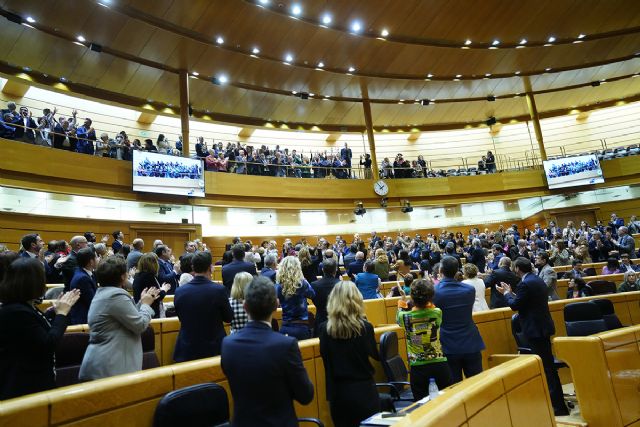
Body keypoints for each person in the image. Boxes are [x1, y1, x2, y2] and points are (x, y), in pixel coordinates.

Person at [221, 276, 314, 427]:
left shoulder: (227, 344)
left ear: (245, 306)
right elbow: (306, 395)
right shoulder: (286, 345)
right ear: (276, 305)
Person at [496, 257, 570, 416]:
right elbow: (527, 301)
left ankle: (557, 407)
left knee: (546, 368)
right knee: (548, 367)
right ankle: (557, 404)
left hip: (535, 330)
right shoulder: (536, 279)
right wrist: (512, 293)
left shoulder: (525, 283)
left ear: (517, 269)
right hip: (543, 328)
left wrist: (507, 294)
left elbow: (515, 306)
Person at [0, 258, 80, 399]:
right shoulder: (16, 311)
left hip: (32, 382)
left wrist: (52, 312)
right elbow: (48, 343)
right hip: (25, 388)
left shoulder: (21, 306)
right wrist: (62, 314)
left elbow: (35, 330)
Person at [79, 256, 160, 381]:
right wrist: (145, 305)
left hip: (105, 361)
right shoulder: (116, 295)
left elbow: (125, 317)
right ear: (123, 276)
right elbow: (139, 325)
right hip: (110, 364)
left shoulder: (105, 293)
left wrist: (141, 303)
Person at [318, 281, 381, 426]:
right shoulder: (365, 327)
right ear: (357, 300)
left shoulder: (324, 329)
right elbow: (374, 354)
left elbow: (325, 358)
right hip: (364, 390)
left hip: (337, 394)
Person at [396, 279, 452, 398]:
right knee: (446, 402)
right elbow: (429, 311)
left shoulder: (404, 317)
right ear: (431, 296)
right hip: (439, 365)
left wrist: (403, 301)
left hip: (418, 367)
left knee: (421, 406)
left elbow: (399, 317)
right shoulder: (437, 313)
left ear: (412, 296)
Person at [433, 256, 485, 383]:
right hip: (471, 341)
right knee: (477, 384)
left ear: (440, 271)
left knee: (454, 388)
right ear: (457, 270)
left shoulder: (434, 291)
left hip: (448, 344)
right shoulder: (469, 290)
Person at [174, 252, 233, 361]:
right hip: (213, 348)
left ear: (193, 267)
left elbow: (181, 317)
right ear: (210, 267)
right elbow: (228, 318)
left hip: (187, 348)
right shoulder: (219, 290)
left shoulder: (179, 291)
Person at [276, 256, 316, 340]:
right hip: (301, 326)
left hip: (285, 326)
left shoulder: (278, 286)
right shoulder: (302, 284)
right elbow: (312, 295)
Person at [132, 253, 171, 319]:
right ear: (154, 264)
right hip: (150, 312)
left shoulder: (138, 275)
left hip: (141, 309)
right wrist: (164, 289)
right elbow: (157, 296)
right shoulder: (148, 277)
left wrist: (160, 289)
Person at [68, 247, 98, 325]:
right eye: (96, 257)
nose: (98, 259)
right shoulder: (83, 278)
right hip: (84, 320)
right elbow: (93, 302)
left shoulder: (83, 271)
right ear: (91, 262)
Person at [310, 258, 340, 336]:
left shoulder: (314, 285)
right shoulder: (341, 284)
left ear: (322, 270)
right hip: (337, 321)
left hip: (320, 319)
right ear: (335, 270)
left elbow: (313, 300)